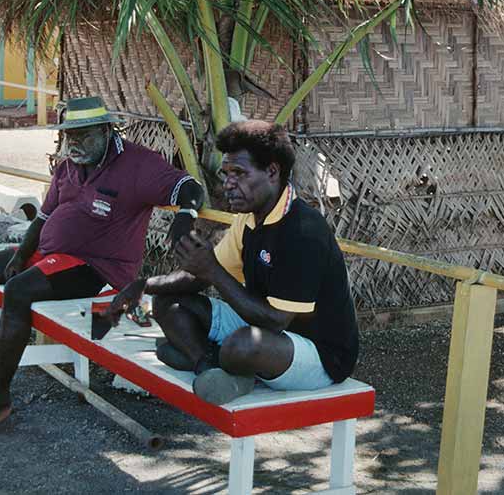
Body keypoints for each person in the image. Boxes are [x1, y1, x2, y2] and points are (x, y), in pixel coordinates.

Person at [0, 96, 204, 438]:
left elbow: (189, 187)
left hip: (99, 267)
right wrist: (21, 255)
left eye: (84, 135)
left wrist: (186, 214)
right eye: (71, 135)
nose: (75, 143)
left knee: (19, 290)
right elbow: (42, 217)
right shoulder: (69, 166)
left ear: (106, 131)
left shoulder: (137, 164)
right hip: (53, 253)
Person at [109, 120, 359, 405]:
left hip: (318, 354)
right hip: (263, 328)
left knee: (242, 344)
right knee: (168, 302)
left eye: (239, 173)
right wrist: (144, 286)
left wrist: (212, 271)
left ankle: (212, 358)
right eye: (226, 173)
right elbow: (198, 278)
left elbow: (276, 320)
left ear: (272, 172)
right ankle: (207, 365)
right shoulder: (249, 218)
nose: (228, 184)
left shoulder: (303, 230)